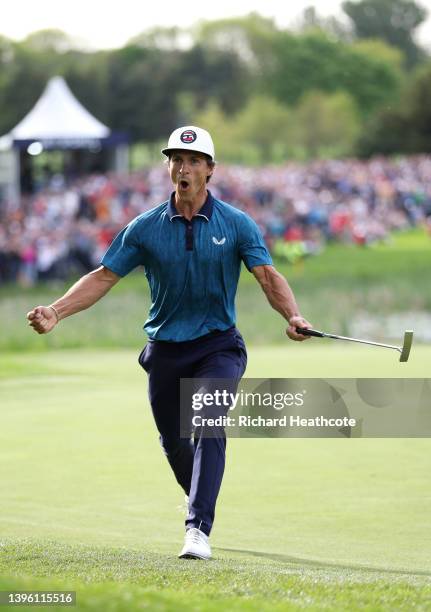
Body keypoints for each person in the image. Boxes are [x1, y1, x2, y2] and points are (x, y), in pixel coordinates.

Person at [27, 126, 312, 560]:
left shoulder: (236, 224)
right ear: (168, 168)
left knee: (208, 423)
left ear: (210, 170)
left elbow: (268, 277)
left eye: (194, 160)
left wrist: (291, 315)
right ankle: (197, 495)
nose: (184, 167)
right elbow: (104, 276)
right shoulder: (145, 228)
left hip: (218, 345)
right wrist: (56, 311)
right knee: (173, 441)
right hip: (165, 350)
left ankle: (197, 528)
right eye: (176, 160)